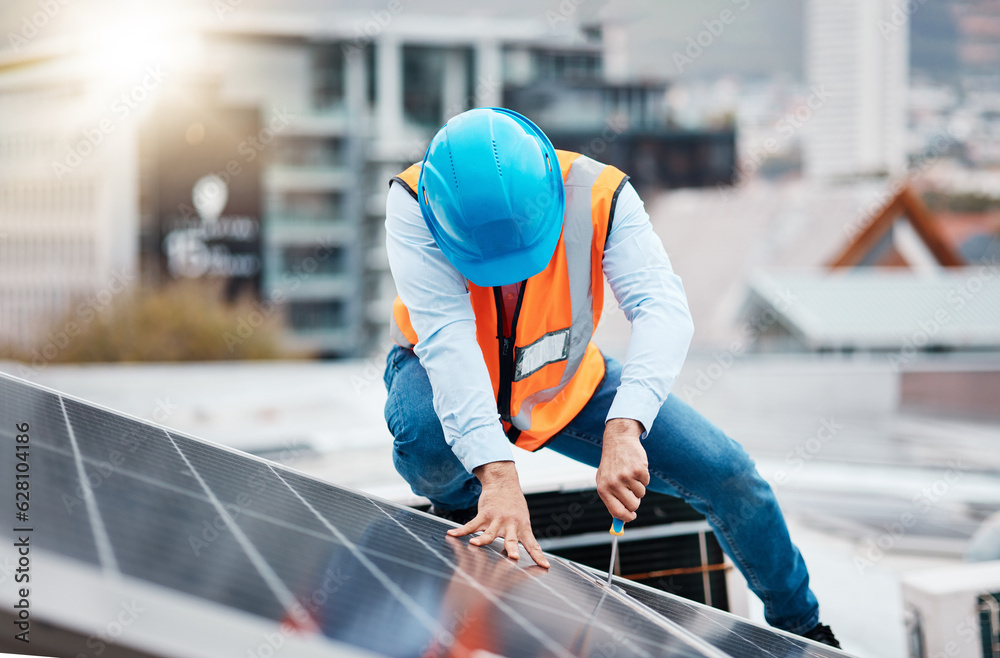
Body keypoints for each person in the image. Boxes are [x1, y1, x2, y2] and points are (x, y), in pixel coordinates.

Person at [382, 107, 841, 648]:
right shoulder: (415, 202)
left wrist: (626, 427)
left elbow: (662, 309)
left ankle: (804, 631)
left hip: (567, 382)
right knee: (426, 439)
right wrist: (498, 478)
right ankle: (463, 504)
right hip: (441, 379)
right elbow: (448, 341)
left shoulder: (603, 196)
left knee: (730, 474)